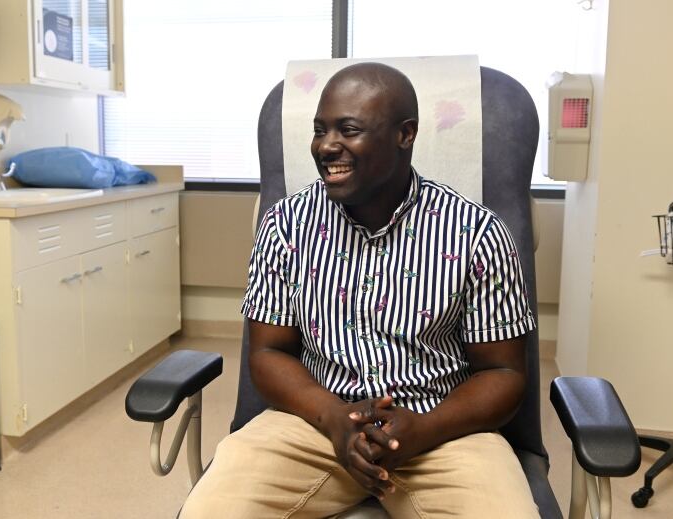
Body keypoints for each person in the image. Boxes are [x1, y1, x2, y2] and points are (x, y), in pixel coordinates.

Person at [181, 62, 540, 518]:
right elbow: (267, 354)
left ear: (405, 134)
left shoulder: (477, 233)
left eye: (348, 130)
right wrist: (336, 419)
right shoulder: (286, 225)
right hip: (313, 425)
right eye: (319, 130)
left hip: (441, 432)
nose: (327, 146)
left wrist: (423, 429)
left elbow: (504, 375)